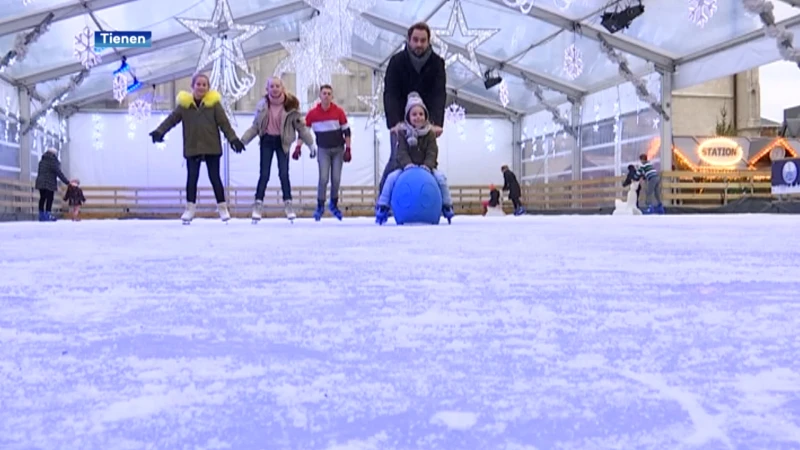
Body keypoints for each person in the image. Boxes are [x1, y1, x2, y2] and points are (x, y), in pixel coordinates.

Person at [149, 73, 244, 224]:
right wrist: (160, 131)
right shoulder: (185, 106)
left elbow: (224, 124)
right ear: (192, 86)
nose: (201, 87)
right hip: (193, 146)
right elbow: (172, 119)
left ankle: (222, 208)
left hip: (212, 146)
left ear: (208, 87)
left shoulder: (214, 105)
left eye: (204, 84)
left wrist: (233, 139)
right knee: (192, 178)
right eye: (198, 84)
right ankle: (190, 208)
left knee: (215, 178)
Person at [380, 22, 447, 194]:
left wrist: (437, 122)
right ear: (408, 40)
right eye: (415, 40)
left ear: (428, 41)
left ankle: (429, 198)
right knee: (397, 159)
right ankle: (384, 200)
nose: (419, 44)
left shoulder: (437, 63)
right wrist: (394, 122)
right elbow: (391, 93)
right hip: (402, 122)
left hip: (425, 123)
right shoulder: (396, 62)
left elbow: (439, 94)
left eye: (423, 40)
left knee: (428, 160)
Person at [241, 77, 316, 223]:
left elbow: (301, 127)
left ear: (282, 88)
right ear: (267, 89)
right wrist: (243, 140)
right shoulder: (262, 106)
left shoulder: (290, 106)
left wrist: (311, 144)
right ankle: (258, 204)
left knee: (283, 173)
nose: (274, 89)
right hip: (267, 141)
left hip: (283, 142)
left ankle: (288, 204)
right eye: (272, 86)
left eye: (277, 86)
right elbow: (255, 126)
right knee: (264, 174)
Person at [375, 92, 453, 225]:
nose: (418, 117)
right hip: (405, 169)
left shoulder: (429, 133)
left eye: (421, 114)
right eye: (414, 114)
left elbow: (432, 151)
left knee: (441, 178)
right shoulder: (403, 133)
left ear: (425, 116)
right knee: (391, 178)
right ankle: (383, 206)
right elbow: (401, 152)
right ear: (408, 117)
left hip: (427, 169)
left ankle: (447, 205)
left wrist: (428, 166)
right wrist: (407, 165)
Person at [298, 84, 351, 221]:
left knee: (336, 179)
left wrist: (349, 149)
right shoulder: (313, 114)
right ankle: (320, 206)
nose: (326, 96)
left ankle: (333, 204)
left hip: (338, 149)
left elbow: (347, 132)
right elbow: (305, 132)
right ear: (320, 96)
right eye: (324, 93)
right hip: (323, 150)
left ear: (332, 97)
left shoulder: (338, 112)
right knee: (323, 178)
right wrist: (298, 147)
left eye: (329, 93)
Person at [34, 147, 73, 222]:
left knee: (42, 198)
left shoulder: (42, 161)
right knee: (49, 198)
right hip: (49, 183)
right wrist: (67, 182)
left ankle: (41, 215)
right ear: (54, 153)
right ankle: (48, 215)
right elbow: (59, 173)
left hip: (40, 182)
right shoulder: (52, 161)